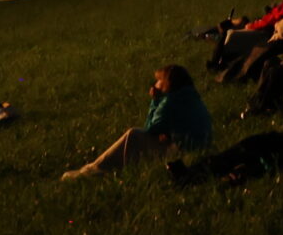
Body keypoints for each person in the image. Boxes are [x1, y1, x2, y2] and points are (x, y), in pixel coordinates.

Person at [62, 66, 214, 179]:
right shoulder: (191, 96)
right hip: (200, 147)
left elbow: (150, 128)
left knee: (134, 135)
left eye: (159, 80)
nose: (155, 83)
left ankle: (95, 170)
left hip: (183, 152)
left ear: (167, 83)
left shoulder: (170, 101)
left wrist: (155, 100)